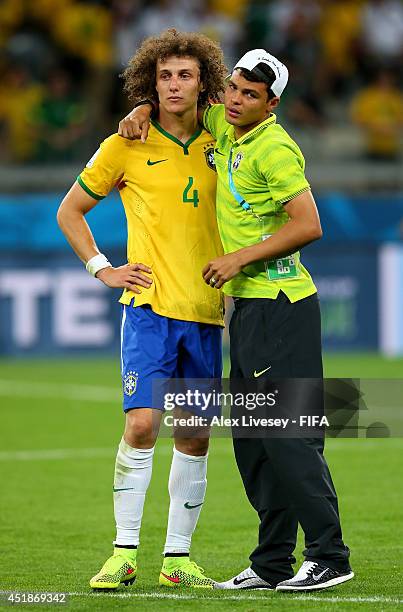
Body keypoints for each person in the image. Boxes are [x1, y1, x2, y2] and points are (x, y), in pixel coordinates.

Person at [121, 48, 354, 592]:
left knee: (289, 436)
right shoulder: (227, 127)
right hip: (250, 311)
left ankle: (330, 554)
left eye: (251, 95)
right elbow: (173, 105)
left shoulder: (274, 148)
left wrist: (237, 258)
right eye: (234, 88)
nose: (236, 100)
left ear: (272, 103)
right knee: (252, 440)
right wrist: (137, 110)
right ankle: (272, 560)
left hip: (282, 307)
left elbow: (309, 224)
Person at [57, 29, 227, 590]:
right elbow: (71, 211)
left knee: (195, 437)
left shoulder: (225, 138)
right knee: (143, 423)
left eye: (185, 75)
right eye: (164, 76)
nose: (174, 84)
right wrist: (101, 268)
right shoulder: (124, 143)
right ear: (149, 84)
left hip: (205, 309)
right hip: (148, 307)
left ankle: (177, 558)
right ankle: (123, 551)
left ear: (205, 82)